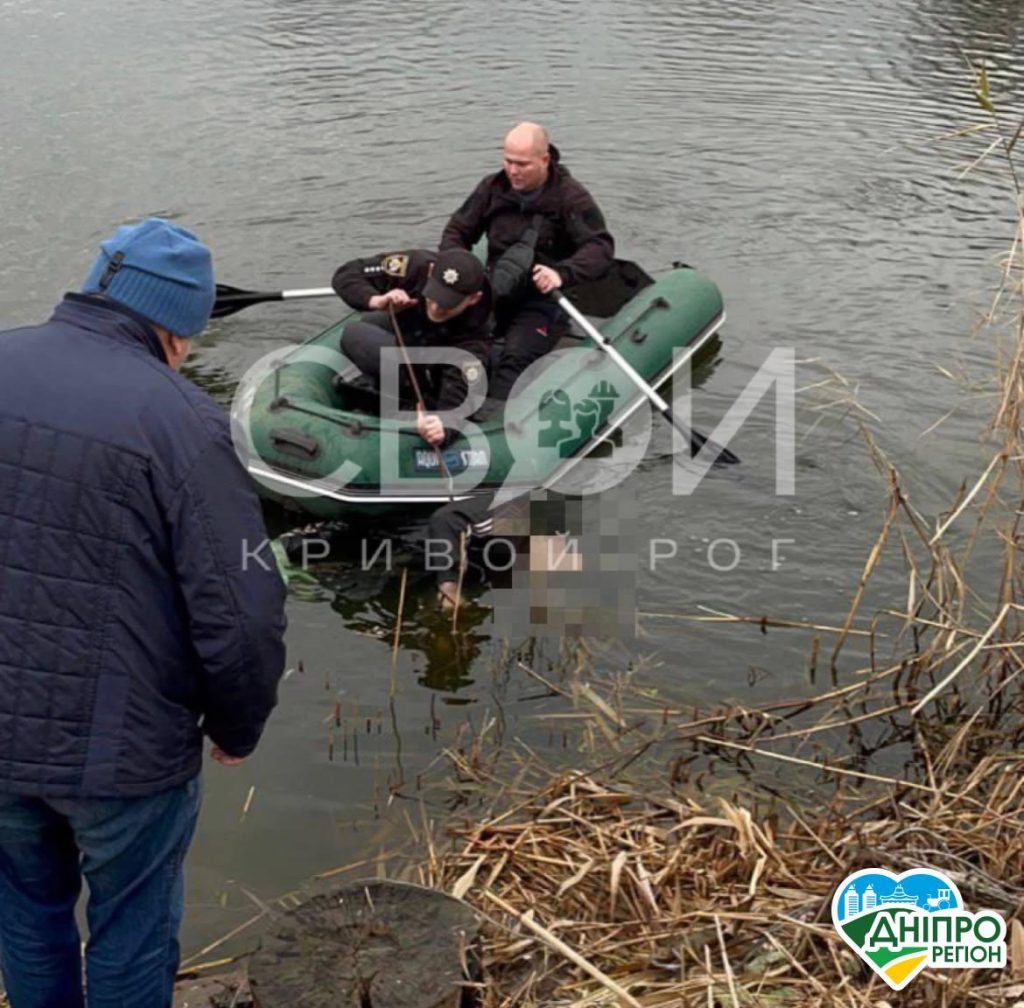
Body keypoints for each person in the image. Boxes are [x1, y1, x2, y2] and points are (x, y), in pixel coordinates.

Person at [0, 219, 287, 1008]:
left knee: (26, 912)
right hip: (122, 755)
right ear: (176, 331)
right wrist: (237, 725)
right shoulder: (184, 422)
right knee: (130, 925)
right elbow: (242, 609)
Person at [439, 121, 615, 401]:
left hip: (543, 299)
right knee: (456, 341)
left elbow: (600, 246)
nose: (512, 171)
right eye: (508, 161)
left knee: (516, 358)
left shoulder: (571, 197)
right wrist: (457, 271)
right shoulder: (492, 188)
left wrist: (562, 273)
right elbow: (457, 231)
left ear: (544, 160)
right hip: (494, 288)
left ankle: (493, 420)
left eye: (522, 164)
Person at [332, 246, 492, 446]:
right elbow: (347, 274)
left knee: (355, 334)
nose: (435, 308)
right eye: (433, 296)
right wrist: (376, 300)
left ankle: (406, 397)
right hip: (411, 335)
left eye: (447, 304)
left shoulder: (474, 338)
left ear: (473, 299)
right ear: (431, 272)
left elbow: (458, 401)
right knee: (362, 325)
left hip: (433, 366)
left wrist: (442, 429)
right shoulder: (415, 266)